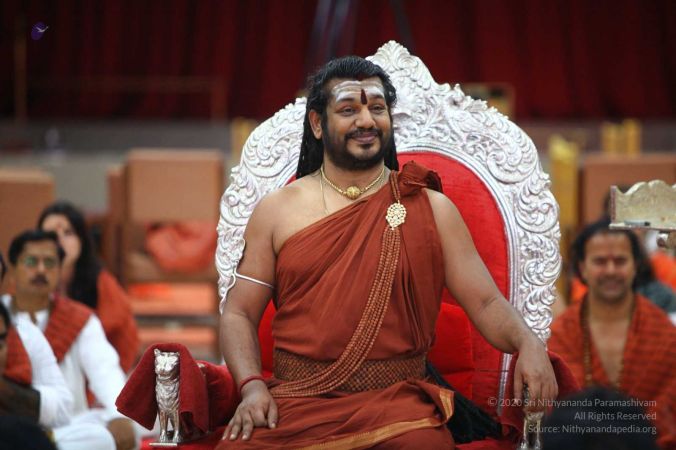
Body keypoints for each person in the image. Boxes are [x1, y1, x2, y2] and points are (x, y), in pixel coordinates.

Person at [217, 56, 557, 449]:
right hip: (297, 402)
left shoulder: (430, 207)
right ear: (317, 123)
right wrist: (252, 387)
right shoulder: (277, 211)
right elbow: (239, 313)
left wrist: (528, 342)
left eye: (377, 108)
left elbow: (485, 303)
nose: (366, 120)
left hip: (398, 408)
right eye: (348, 110)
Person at [4, 230, 137, 450]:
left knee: (104, 434)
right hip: (9, 424)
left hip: (66, 426)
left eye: (49, 263)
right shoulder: (3, 318)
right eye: (31, 262)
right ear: (12, 270)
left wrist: (119, 415)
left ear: (59, 271)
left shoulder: (78, 319)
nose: (41, 270)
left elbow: (105, 371)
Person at [549, 219, 676, 449]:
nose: (610, 270)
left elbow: (668, 410)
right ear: (582, 267)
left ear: (636, 265)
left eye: (620, 261)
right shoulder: (562, 334)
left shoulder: (664, 335)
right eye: (600, 261)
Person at [38, 201, 139, 372]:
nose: (59, 241)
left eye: (68, 233)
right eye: (51, 234)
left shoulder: (101, 282)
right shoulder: (31, 282)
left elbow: (123, 339)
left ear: (82, 240)